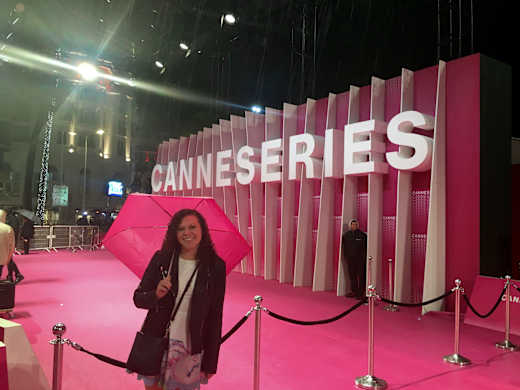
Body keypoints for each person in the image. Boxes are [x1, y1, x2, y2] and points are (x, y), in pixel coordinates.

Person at [132, 209, 226, 390]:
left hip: (190, 348)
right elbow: (138, 299)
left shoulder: (215, 267)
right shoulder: (162, 260)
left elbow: (215, 316)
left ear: (202, 230)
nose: (187, 233)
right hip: (157, 342)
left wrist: (211, 362)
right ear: (174, 233)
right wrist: (156, 294)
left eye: (192, 227)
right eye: (181, 228)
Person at [341, 219, 367, 299]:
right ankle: (354, 291)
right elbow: (344, 248)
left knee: (361, 275)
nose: (354, 226)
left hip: (360, 260)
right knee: (352, 275)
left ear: (357, 225)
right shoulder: (346, 235)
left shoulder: (363, 235)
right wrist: (346, 257)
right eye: (352, 224)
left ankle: (361, 292)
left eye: (355, 224)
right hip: (350, 259)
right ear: (350, 225)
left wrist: (363, 257)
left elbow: (365, 248)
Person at [0, 210, 23, 283]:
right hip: (8, 243)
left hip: (5, 244)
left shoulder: (10, 221)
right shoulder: (10, 223)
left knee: (8, 261)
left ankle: (15, 275)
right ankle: (15, 275)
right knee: (9, 260)